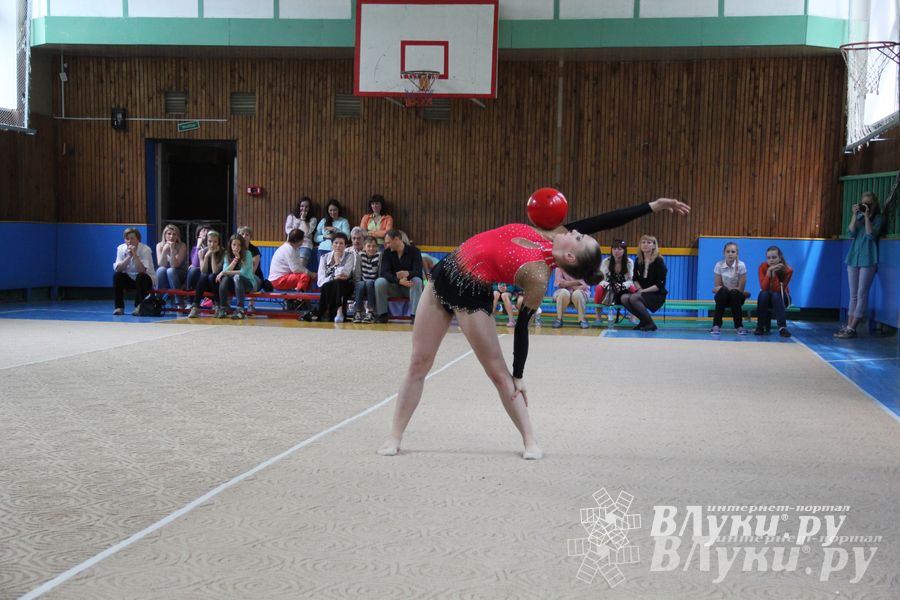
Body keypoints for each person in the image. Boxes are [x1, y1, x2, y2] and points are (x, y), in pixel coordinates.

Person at [377, 197, 690, 459]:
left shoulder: (538, 275)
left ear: (570, 255)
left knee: (499, 374)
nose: (579, 231)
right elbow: (606, 220)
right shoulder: (553, 232)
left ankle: (530, 440)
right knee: (418, 362)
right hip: (443, 277)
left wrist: (520, 373)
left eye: (580, 238)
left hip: (472, 296)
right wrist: (655, 205)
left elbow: (522, 327)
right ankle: (394, 437)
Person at [836, 191, 884, 339]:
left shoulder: (880, 219)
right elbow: (850, 232)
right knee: (853, 294)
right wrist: (854, 215)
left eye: (869, 204)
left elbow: (870, 235)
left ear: (875, 204)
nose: (866, 206)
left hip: (868, 258)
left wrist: (867, 217)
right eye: (864, 203)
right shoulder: (858, 217)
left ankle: (852, 327)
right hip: (853, 257)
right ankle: (849, 326)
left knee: (862, 294)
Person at [374, 229, 424, 324]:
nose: (386, 245)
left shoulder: (415, 251)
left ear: (397, 239)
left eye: (388, 242)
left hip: (409, 288)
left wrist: (408, 273)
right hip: (394, 287)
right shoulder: (387, 253)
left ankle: (415, 316)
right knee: (379, 282)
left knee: (417, 280)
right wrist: (398, 280)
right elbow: (384, 273)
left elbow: (418, 272)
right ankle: (382, 315)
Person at [620, 235, 668, 332]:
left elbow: (660, 285)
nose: (645, 244)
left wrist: (642, 291)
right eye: (643, 242)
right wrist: (639, 290)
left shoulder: (659, 260)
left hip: (657, 294)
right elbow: (635, 279)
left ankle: (650, 324)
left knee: (634, 297)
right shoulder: (638, 260)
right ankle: (643, 321)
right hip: (643, 293)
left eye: (649, 242)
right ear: (640, 245)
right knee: (624, 298)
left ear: (654, 246)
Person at [112, 227, 156, 316]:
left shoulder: (145, 249)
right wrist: (129, 256)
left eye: (132, 238)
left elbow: (142, 270)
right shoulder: (121, 248)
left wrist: (134, 255)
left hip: (146, 279)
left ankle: (139, 306)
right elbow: (119, 268)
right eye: (127, 239)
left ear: (138, 239)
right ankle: (119, 307)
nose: (129, 241)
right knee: (117, 276)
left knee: (140, 276)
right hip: (131, 279)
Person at [710, 241, 749, 335]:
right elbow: (718, 287)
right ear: (724, 253)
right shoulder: (719, 265)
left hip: (736, 297)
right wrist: (726, 289)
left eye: (733, 252)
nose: (730, 254)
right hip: (723, 297)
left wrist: (730, 289)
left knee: (734, 293)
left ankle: (739, 326)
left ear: (737, 253)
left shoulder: (741, 266)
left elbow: (741, 289)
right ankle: (716, 325)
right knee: (723, 291)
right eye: (728, 252)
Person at [755, 245, 793, 337]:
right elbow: (764, 287)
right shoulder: (763, 267)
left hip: (782, 297)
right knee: (763, 294)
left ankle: (782, 327)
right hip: (767, 298)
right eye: (768, 258)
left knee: (775, 295)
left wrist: (775, 273)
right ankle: (760, 326)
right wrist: (769, 273)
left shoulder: (788, 270)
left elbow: (778, 289)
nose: (771, 260)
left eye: (774, 257)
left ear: (780, 258)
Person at [217, 234, 258, 320]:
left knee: (237, 277)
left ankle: (240, 309)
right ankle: (223, 308)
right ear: (230, 245)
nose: (236, 247)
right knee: (225, 279)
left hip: (247, 283)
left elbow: (244, 273)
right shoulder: (227, 255)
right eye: (234, 244)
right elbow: (225, 270)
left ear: (242, 245)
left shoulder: (248, 254)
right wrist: (236, 259)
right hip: (234, 285)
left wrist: (224, 272)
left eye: (239, 245)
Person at [316, 231, 355, 322]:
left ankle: (334, 312)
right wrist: (334, 278)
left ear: (345, 246)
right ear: (332, 244)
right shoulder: (324, 257)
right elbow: (320, 281)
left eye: (341, 243)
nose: (338, 246)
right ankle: (338, 312)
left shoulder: (350, 256)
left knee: (339, 282)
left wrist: (337, 262)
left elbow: (345, 274)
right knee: (333, 283)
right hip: (328, 286)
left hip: (346, 286)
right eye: (336, 243)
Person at [594, 239, 634, 323]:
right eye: (614, 249)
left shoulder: (629, 262)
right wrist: (610, 285)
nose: (616, 251)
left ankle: (632, 318)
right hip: (609, 288)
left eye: (619, 249)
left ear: (624, 251)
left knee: (633, 289)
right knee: (598, 288)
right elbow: (601, 279)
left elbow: (631, 280)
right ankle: (598, 317)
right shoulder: (606, 262)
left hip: (623, 289)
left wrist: (622, 285)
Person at [187, 231, 225, 318]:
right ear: (206, 242)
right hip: (205, 283)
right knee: (204, 275)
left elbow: (215, 271)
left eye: (215, 241)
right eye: (210, 241)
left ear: (218, 242)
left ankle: (217, 305)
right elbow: (203, 270)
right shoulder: (203, 251)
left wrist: (212, 256)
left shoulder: (223, 252)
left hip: (218, 283)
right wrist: (206, 256)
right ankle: (195, 306)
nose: (212, 244)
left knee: (212, 276)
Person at [155, 224, 188, 306]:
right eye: (169, 234)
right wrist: (164, 251)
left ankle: (179, 301)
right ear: (165, 235)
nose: (171, 236)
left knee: (170, 270)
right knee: (160, 270)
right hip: (164, 275)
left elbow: (175, 265)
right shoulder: (159, 245)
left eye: (174, 234)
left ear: (177, 236)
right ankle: (157, 299)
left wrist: (172, 250)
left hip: (180, 273)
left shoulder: (182, 246)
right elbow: (161, 264)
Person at [353, 236, 381, 323]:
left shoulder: (379, 255)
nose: (371, 248)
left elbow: (380, 273)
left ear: (377, 247)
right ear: (364, 247)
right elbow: (357, 273)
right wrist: (357, 283)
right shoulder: (360, 255)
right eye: (369, 246)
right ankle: (358, 312)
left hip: (373, 283)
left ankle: (370, 312)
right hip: (362, 283)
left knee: (369, 283)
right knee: (360, 284)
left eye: (373, 246)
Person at [284, 196, 317, 268]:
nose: (304, 208)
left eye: (307, 207)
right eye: (302, 206)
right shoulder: (291, 216)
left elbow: (307, 232)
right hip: (291, 244)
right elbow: (288, 230)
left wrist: (303, 220)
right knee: (289, 267)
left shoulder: (313, 219)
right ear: (299, 206)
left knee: (301, 267)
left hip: (305, 245)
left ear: (310, 208)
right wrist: (298, 232)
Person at [238, 226, 271, 299]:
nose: (244, 236)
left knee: (244, 278)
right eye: (242, 234)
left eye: (247, 235)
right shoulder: (235, 249)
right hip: (239, 276)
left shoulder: (255, 251)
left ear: (250, 237)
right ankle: (225, 305)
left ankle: (250, 305)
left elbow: (251, 272)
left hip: (255, 278)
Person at [185, 225, 209, 292]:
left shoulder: (212, 247)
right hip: (198, 273)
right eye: (204, 231)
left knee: (193, 269)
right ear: (198, 234)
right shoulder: (195, 249)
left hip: (207, 271)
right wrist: (198, 246)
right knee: (193, 270)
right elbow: (195, 264)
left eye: (208, 231)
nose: (206, 232)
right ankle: (189, 297)